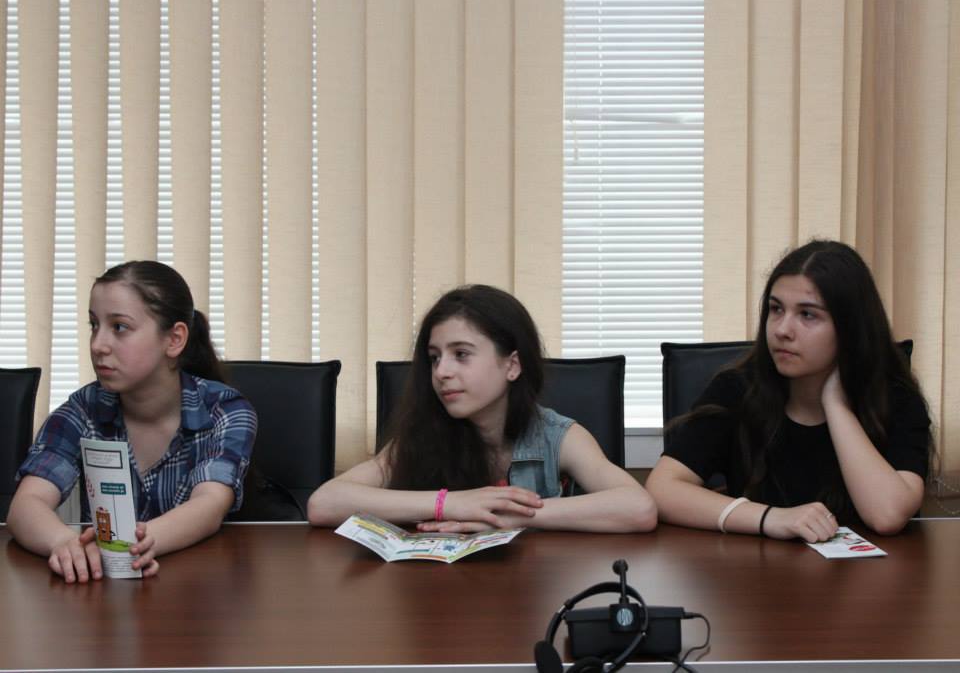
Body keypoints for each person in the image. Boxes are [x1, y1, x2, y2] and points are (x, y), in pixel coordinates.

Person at [308, 284, 656, 533]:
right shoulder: (423, 432)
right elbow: (324, 503)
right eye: (435, 358)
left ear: (512, 365)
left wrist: (512, 516)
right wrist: (450, 504)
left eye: (461, 354)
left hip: (530, 591)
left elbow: (638, 507)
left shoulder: (555, 435)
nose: (441, 372)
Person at [647, 240, 932, 541]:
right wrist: (772, 518)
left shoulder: (896, 398)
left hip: (868, 570)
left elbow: (887, 515)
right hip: (755, 567)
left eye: (807, 315)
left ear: (851, 328)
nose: (782, 330)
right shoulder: (738, 389)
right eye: (776, 309)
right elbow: (662, 489)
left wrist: (835, 404)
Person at [7, 261, 257, 582]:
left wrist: (132, 547)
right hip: (103, 591)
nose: (98, 345)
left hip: (196, 587)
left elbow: (210, 505)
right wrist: (64, 543)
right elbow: (26, 504)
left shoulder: (225, 410)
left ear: (174, 339)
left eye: (120, 327)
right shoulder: (83, 410)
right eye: (94, 325)